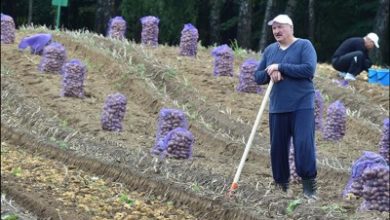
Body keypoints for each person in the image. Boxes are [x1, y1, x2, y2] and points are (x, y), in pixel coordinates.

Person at [254, 14, 318, 198]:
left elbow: (308, 69)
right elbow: (258, 77)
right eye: (274, 28)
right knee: (278, 148)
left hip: (302, 105)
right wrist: (270, 71)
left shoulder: (304, 45)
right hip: (278, 106)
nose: (276, 31)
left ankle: (309, 188)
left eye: (280, 27)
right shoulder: (270, 50)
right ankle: (281, 186)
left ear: (290, 28)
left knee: (303, 144)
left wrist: (280, 67)